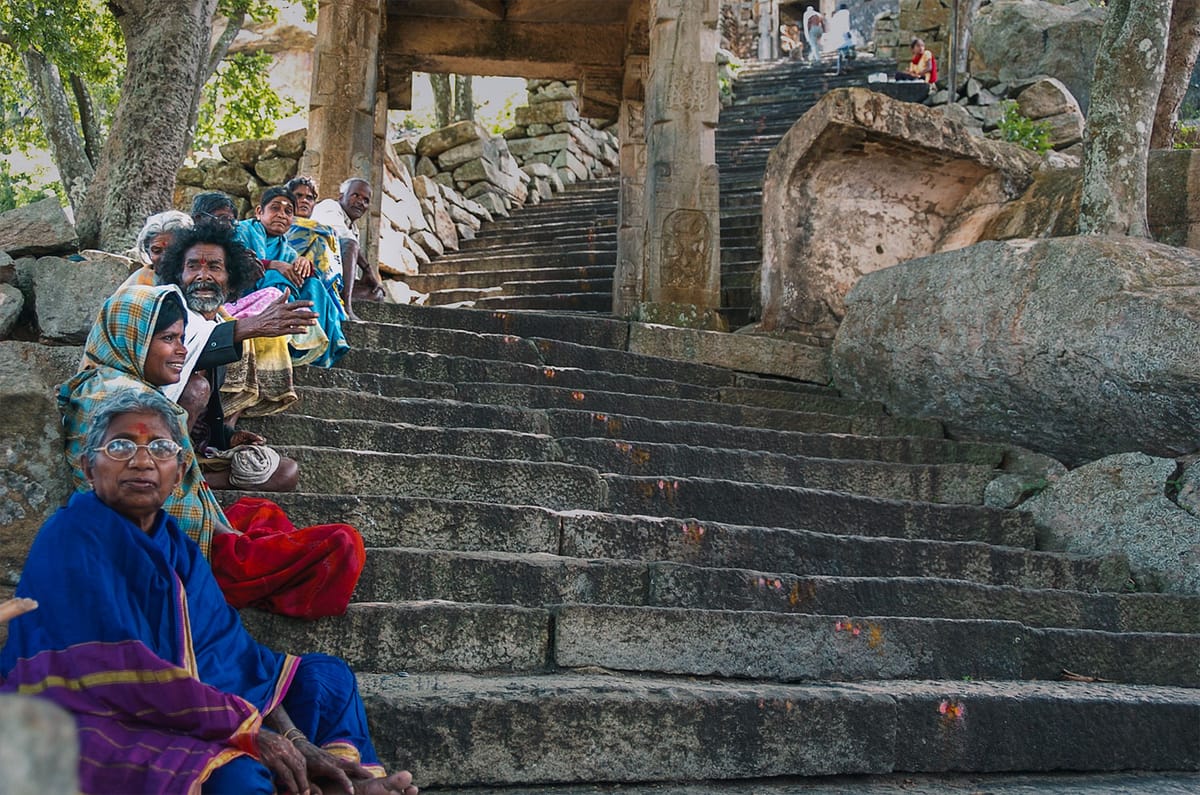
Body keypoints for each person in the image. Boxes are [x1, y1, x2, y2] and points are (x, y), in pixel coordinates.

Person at [0, 389, 417, 795]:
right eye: (121, 446)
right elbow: (117, 672)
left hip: (187, 704)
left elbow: (232, 657)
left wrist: (293, 736)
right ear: (90, 469)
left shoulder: (175, 544)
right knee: (239, 775)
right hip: (92, 711)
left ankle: (340, 779)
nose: (142, 461)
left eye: (161, 448)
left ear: (179, 473)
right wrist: (252, 733)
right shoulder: (71, 536)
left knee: (326, 677)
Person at [59, 284, 365, 619]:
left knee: (259, 510)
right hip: (173, 560)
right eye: (168, 339)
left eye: (181, 338)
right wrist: (226, 539)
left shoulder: (100, 384)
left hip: (174, 539)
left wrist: (223, 528)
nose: (182, 351)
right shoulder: (135, 408)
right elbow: (156, 511)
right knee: (343, 542)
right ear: (132, 339)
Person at [236, 186, 349, 366]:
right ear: (259, 212)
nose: (282, 214)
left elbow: (303, 277)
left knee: (313, 285)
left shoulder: (287, 250)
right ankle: (278, 340)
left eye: (288, 211)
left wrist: (305, 265)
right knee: (276, 277)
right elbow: (232, 260)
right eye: (275, 208)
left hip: (277, 296)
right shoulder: (242, 231)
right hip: (242, 295)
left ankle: (309, 350)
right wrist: (272, 265)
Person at [311, 178, 384, 321]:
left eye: (366, 200)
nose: (360, 202)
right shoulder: (329, 206)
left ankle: (336, 299)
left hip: (334, 281)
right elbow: (342, 236)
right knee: (350, 244)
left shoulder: (354, 229)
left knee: (376, 293)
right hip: (314, 272)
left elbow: (349, 275)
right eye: (355, 195)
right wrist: (367, 269)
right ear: (341, 197)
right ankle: (345, 308)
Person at [286, 174, 350, 321]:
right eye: (298, 195)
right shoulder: (279, 227)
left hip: (318, 284)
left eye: (309, 198)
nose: (304, 200)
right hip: (287, 280)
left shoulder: (325, 231)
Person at [123, 209, 194, 286]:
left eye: (172, 250)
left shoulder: (201, 277)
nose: (164, 258)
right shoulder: (137, 285)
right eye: (157, 251)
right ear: (148, 251)